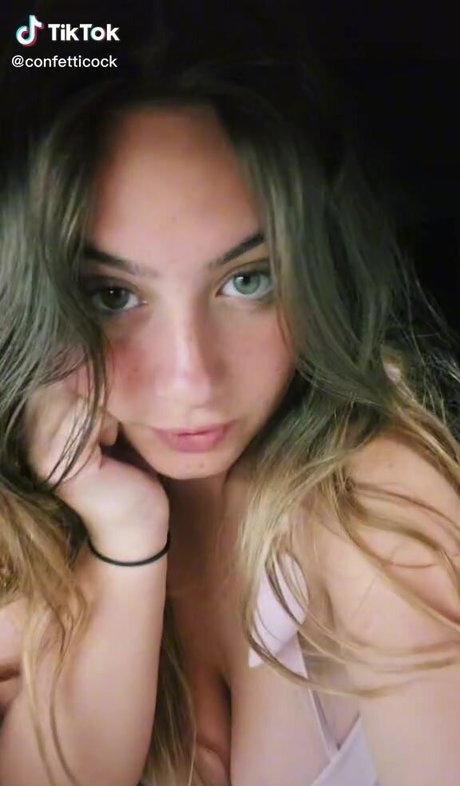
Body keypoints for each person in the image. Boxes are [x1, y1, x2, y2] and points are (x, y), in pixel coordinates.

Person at [0, 37, 459, 786]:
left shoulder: (377, 505)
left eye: (248, 281)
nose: (192, 379)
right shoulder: (31, 544)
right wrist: (125, 542)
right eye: (112, 295)